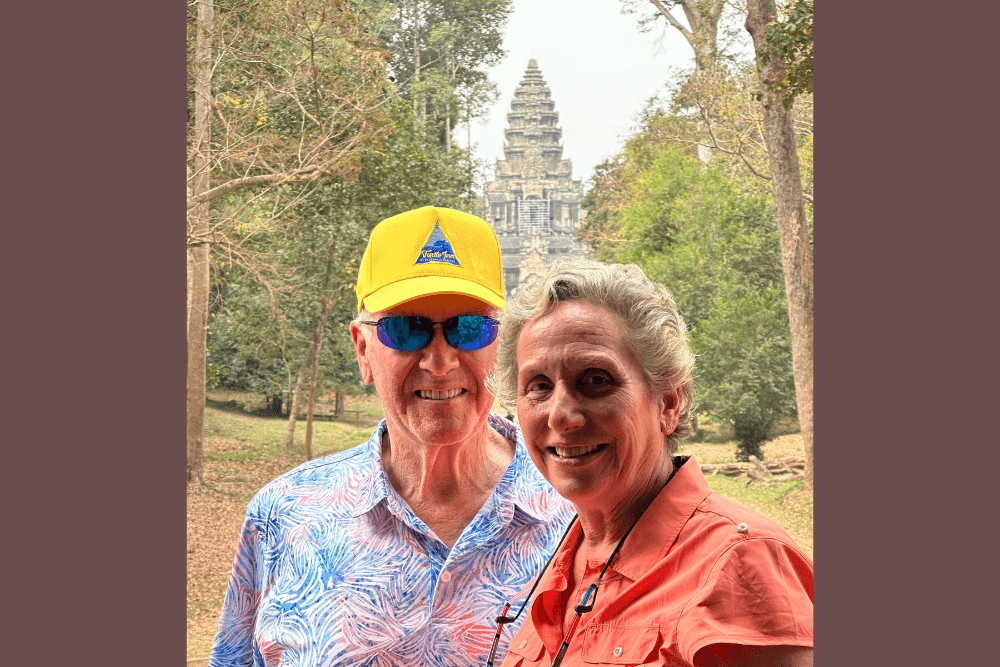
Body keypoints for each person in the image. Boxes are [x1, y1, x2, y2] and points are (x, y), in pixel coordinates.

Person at [208, 206, 574, 667]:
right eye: (405, 329)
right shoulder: (284, 517)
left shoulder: (579, 513)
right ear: (363, 350)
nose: (440, 362)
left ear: (501, 346)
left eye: (469, 328)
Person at [487, 259, 813, 667]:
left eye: (596, 380)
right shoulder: (564, 560)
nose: (560, 416)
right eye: (539, 386)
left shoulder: (740, 563)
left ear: (668, 403)